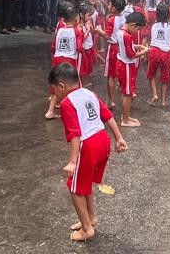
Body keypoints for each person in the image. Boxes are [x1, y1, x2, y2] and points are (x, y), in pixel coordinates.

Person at [52, 62, 128, 243]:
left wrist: (72, 161)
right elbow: (107, 115)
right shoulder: (89, 93)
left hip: (88, 145)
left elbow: (75, 134)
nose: (53, 93)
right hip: (103, 140)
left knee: (74, 187)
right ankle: (91, 218)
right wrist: (119, 138)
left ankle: (87, 229)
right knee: (83, 183)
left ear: (61, 86)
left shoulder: (66, 103)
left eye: (54, 89)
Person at [109, 10, 148, 127]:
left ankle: (126, 116)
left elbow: (127, 47)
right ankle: (125, 120)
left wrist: (137, 46)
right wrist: (144, 51)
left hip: (122, 63)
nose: (138, 32)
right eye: (138, 29)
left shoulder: (122, 32)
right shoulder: (126, 35)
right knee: (127, 94)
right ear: (133, 25)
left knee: (128, 92)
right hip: (126, 65)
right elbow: (131, 54)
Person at [146, 8, 170, 107]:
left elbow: (150, 38)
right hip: (166, 52)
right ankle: (163, 101)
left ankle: (154, 94)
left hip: (154, 51)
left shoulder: (154, 26)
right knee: (165, 77)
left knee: (151, 74)